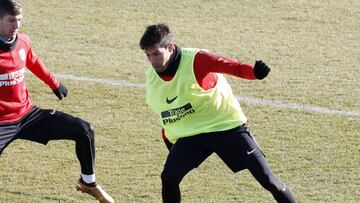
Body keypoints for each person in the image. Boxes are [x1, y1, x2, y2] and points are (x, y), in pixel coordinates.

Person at [139, 23, 297, 203]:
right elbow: (164, 114)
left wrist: (254, 73)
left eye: (157, 54)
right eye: (148, 55)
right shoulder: (152, 76)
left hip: (227, 126)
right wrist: (171, 144)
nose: (153, 61)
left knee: (268, 181)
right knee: (169, 178)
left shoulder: (197, 59)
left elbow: (231, 66)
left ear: (170, 47)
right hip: (192, 134)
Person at [0, 1, 113, 202]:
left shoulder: (23, 41)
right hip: (1, 123)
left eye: (19, 20)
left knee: (84, 130)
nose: (16, 25)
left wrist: (54, 83)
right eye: (11, 21)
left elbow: (32, 60)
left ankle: (88, 182)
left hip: (27, 115)